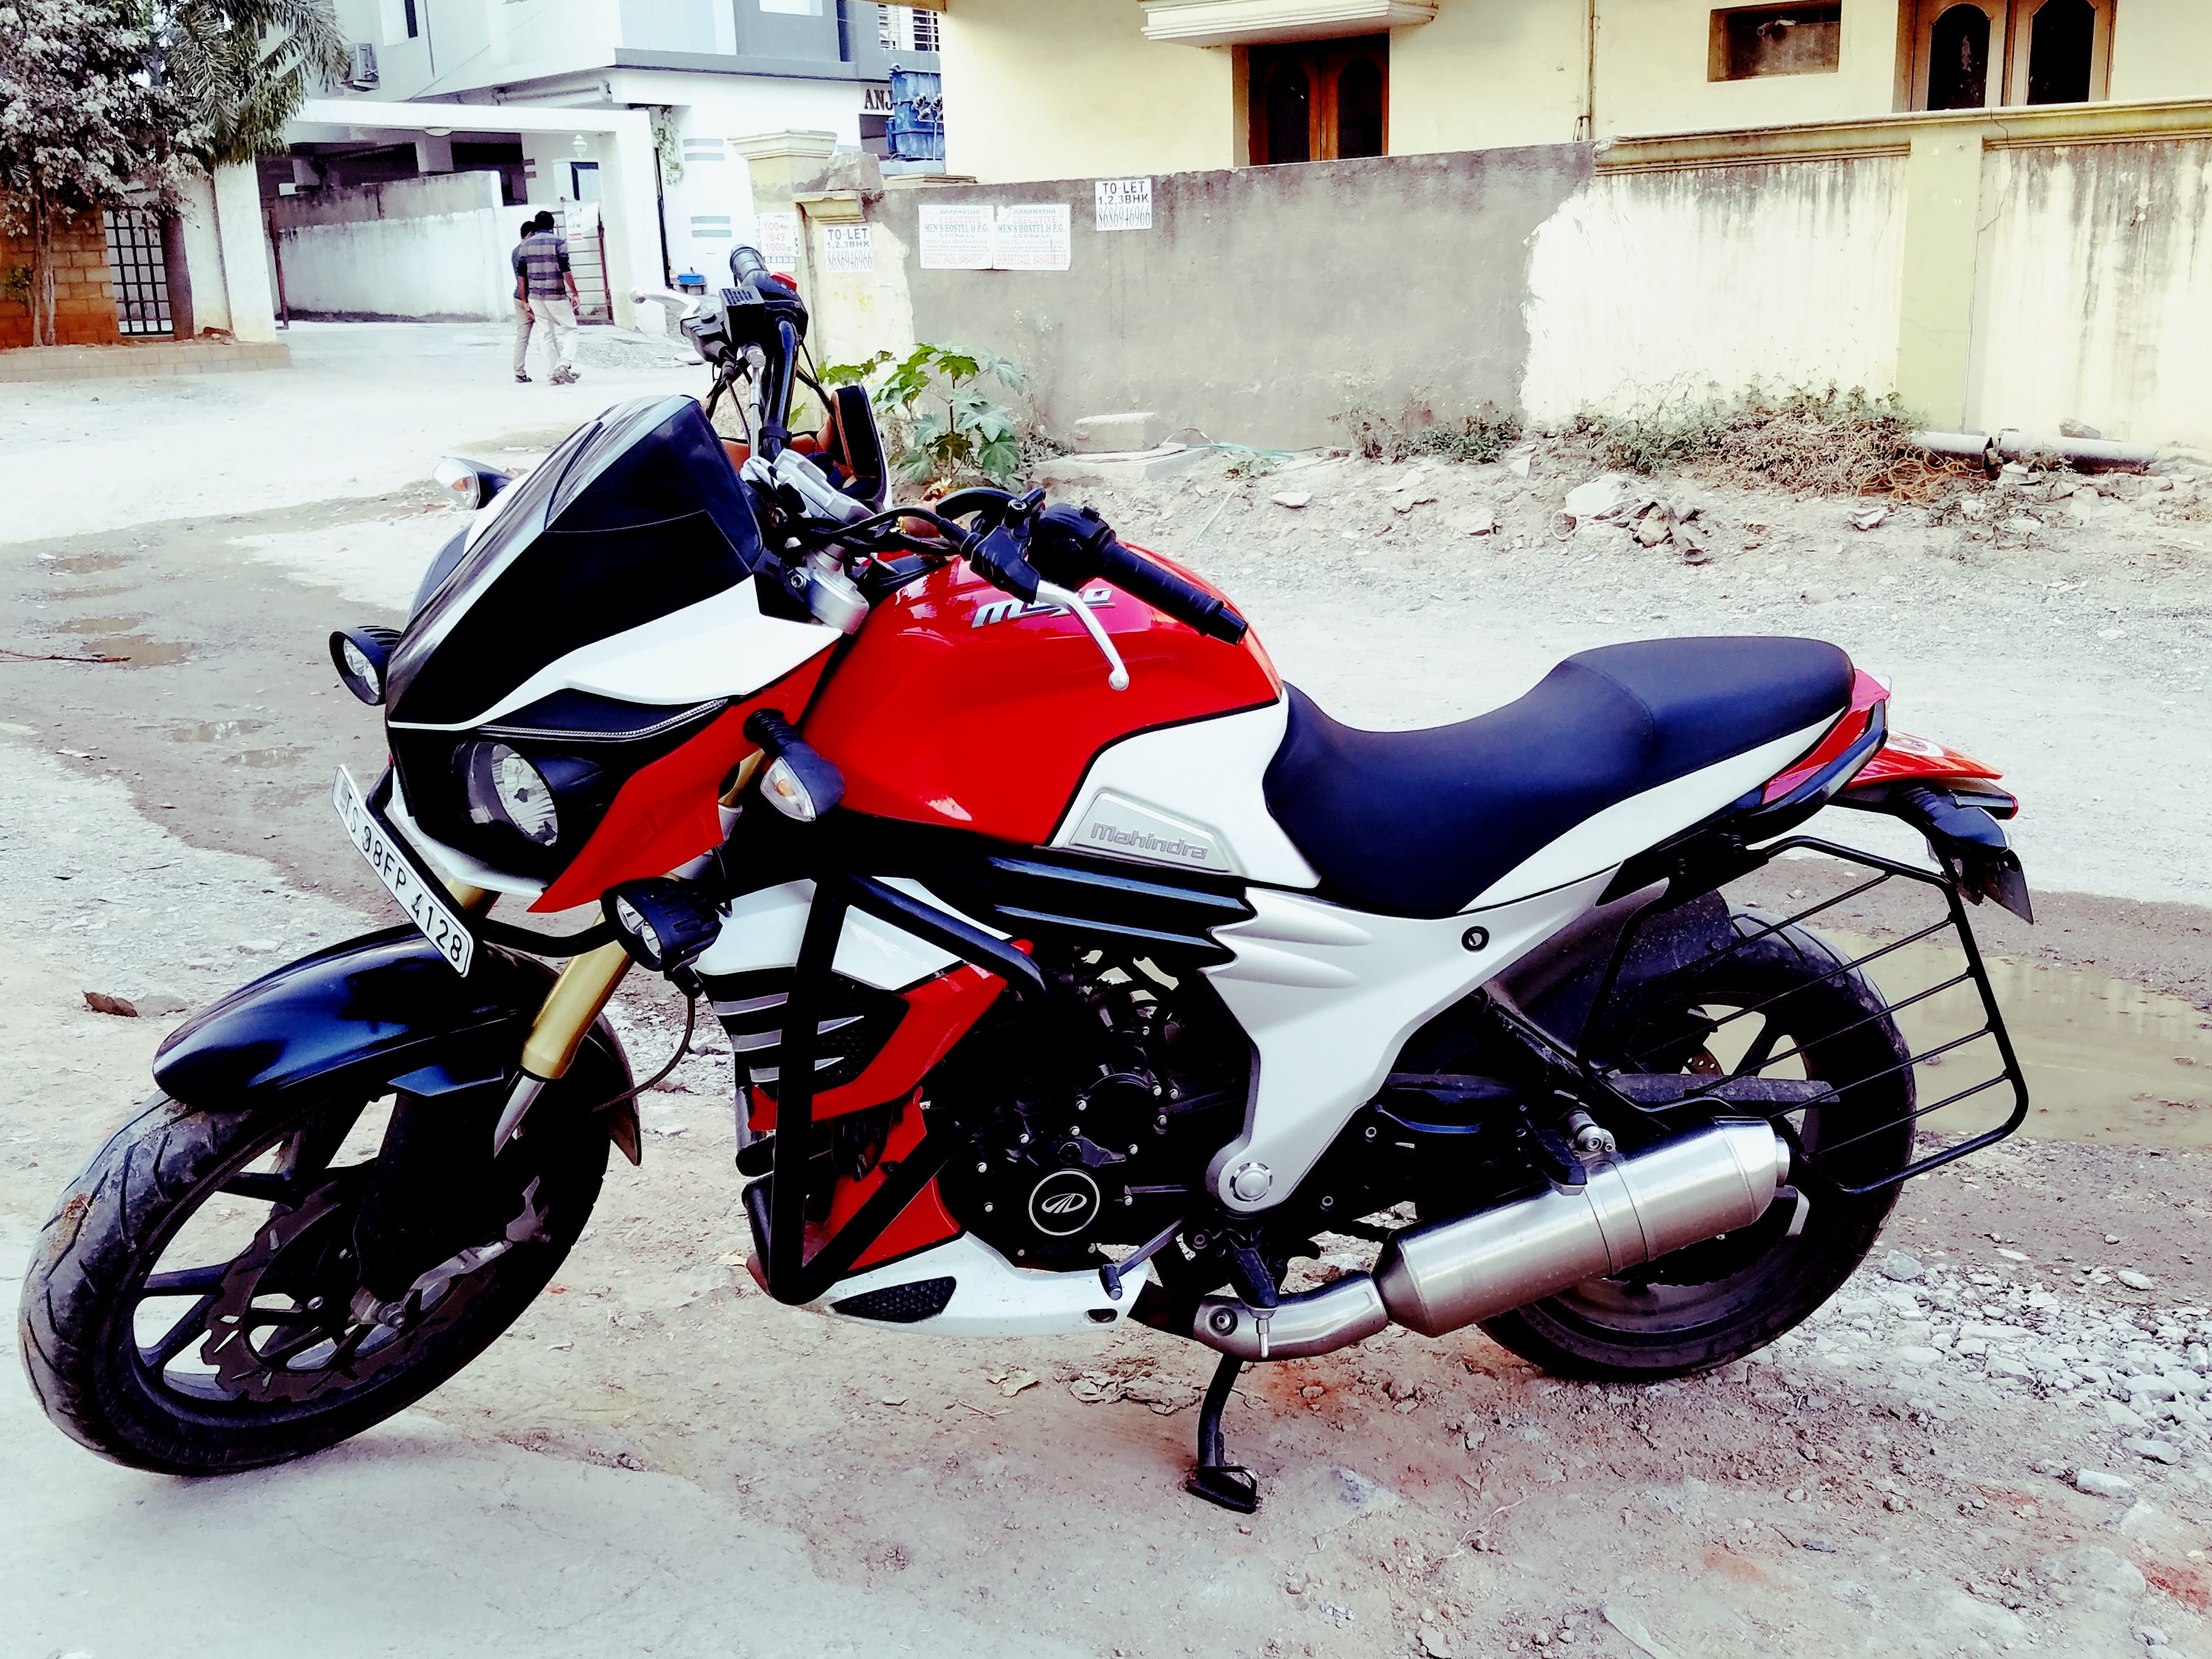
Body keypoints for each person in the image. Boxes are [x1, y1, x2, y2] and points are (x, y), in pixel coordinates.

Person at [514, 210, 583, 386]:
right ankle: (564, 364)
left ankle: (553, 375)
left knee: (545, 334)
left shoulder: (526, 245)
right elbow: (565, 269)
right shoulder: (558, 242)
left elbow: (521, 276)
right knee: (571, 329)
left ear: (536, 226)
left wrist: (525, 301)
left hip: (535, 296)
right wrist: (575, 293)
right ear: (552, 225)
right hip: (556, 294)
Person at [509, 217, 540, 383]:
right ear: (530, 234)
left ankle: (519, 372)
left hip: (519, 298)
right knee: (549, 333)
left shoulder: (515, 251)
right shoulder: (528, 251)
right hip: (533, 297)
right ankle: (560, 368)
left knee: (522, 337)